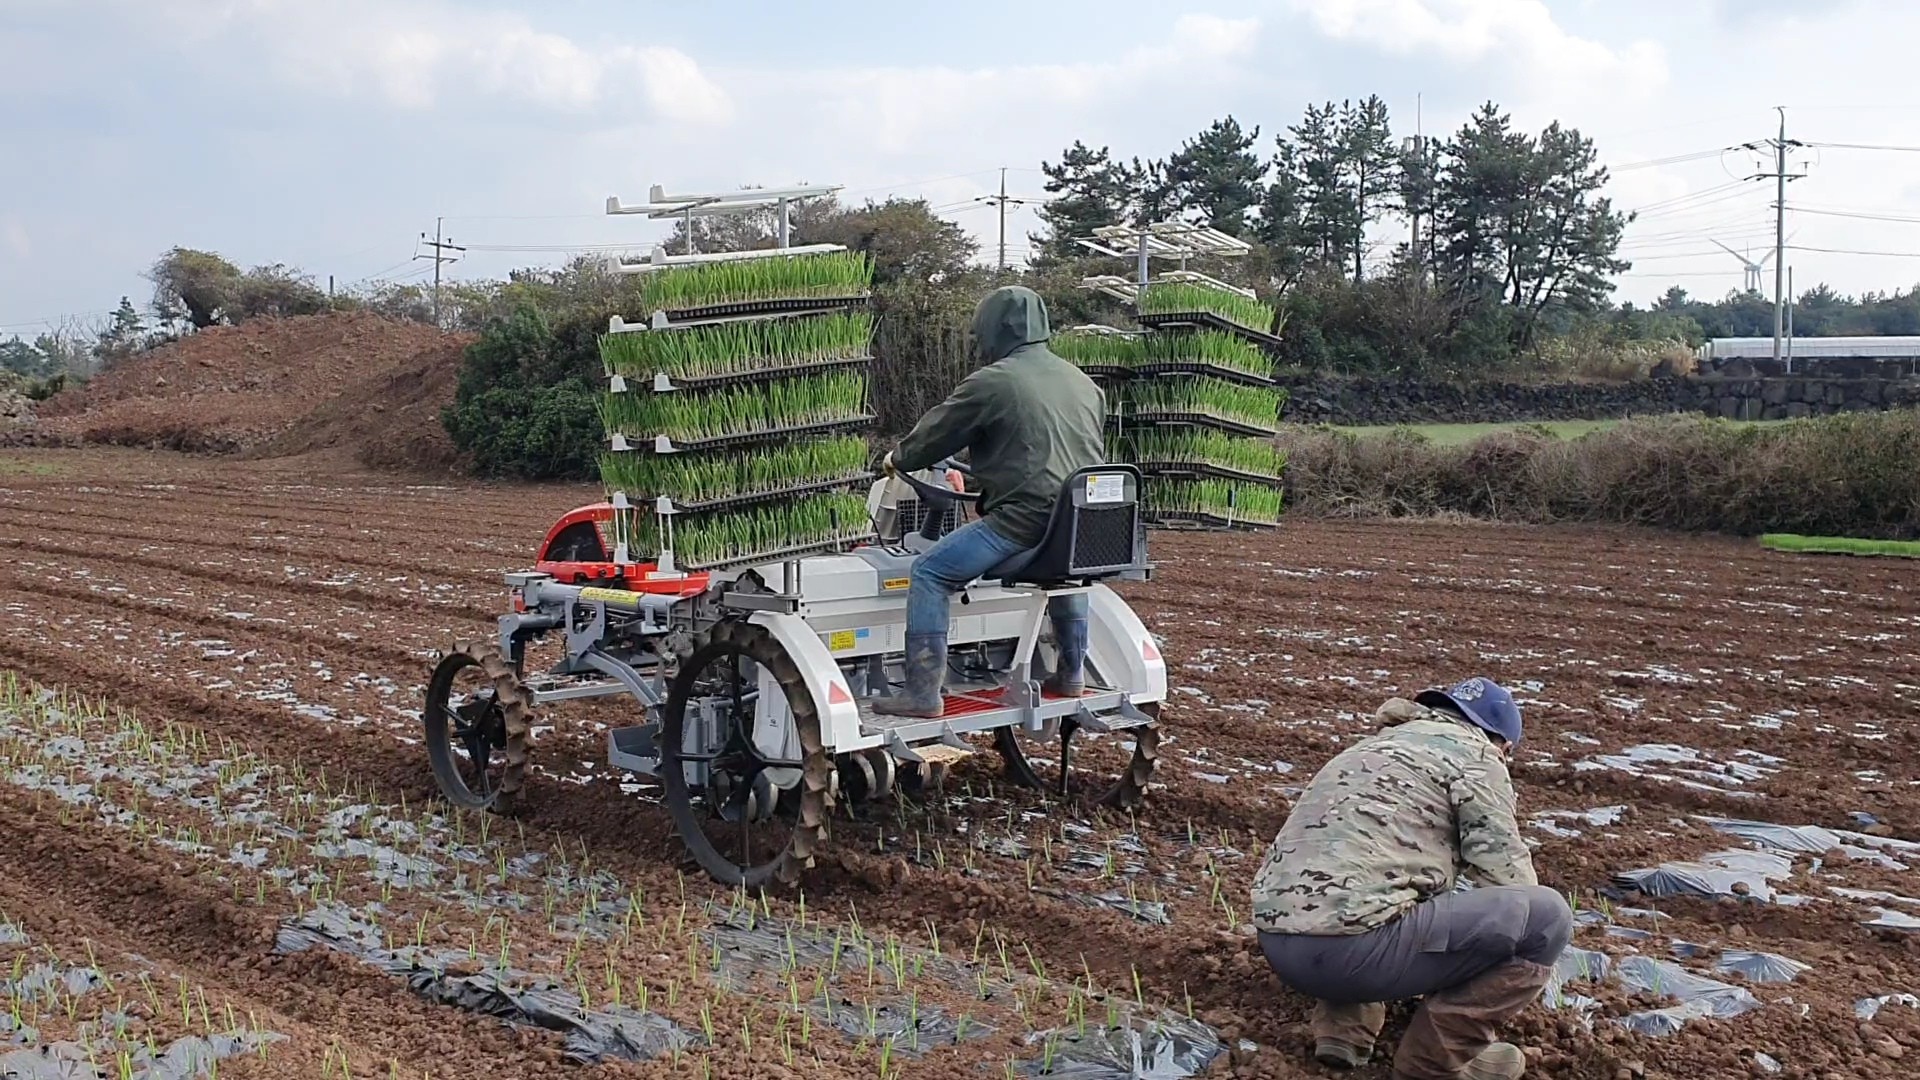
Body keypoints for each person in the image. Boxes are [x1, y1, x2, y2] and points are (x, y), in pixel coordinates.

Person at [1249, 677, 1571, 1080]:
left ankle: (1344, 1030)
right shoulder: (1478, 756)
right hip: (1351, 955)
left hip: (1278, 943)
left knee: (1380, 880)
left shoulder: (1373, 747)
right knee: (1546, 918)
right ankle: (1434, 1063)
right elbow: (1506, 875)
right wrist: (1532, 968)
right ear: (1501, 743)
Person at [873, 284, 1105, 718]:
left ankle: (922, 694)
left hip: (1024, 522)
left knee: (929, 572)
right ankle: (1072, 672)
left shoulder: (993, 382)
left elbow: (931, 439)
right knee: (1068, 574)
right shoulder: (1083, 383)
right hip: (1082, 524)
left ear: (995, 330)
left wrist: (896, 457)